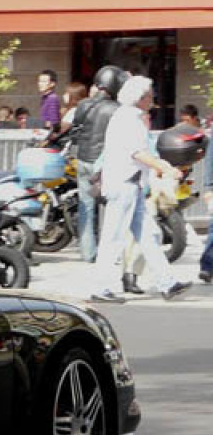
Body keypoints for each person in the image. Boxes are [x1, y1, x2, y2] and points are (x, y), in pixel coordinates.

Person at [88, 75, 190, 302]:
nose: (153, 97)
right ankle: (101, 287)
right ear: (142, 97)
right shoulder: (130, 119)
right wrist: (165, 168)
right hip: (125, 183)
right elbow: (138, 153)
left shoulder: (126, 116)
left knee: (148, 235)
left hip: (128, 183)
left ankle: (167, 282)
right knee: (115, 237)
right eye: (151, 93)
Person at [69, 65, 127, 262]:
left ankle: (88, 252)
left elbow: (75, 129)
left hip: (84, 159)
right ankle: (111, 252)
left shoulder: (84, 105)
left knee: (86, 207)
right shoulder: (117, 109)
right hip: (105, 163)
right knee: (112, 207)